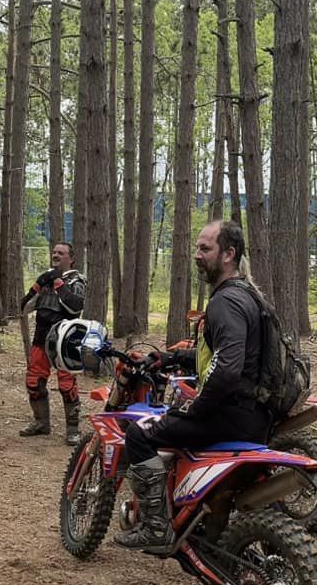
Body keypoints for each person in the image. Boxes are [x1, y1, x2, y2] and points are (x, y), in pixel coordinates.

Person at [115, 219, 269, 552]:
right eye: (196, 247)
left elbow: (226, 371)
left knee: (139, 434)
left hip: (226, 414)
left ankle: (156, 527)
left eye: (205, 248)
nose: (196, 255)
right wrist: (168, 359)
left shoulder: (225, 303)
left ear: (229, 254)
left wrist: (197, 407)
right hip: (254, 413)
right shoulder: (248, 295)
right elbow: (220, 359)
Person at [19, 242, 86, 443]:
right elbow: (24, 306)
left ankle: (73, 430)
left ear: (70, 258)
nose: (55, 255)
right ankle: (41, 423)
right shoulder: (46, 277)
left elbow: (74, 307)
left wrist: (57, 282)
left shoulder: (77, 280)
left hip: (66, 341)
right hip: (41, 338)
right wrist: (38, 284)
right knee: (33, 382)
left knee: (67, 385)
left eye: (61, 253)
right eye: (54, 252)